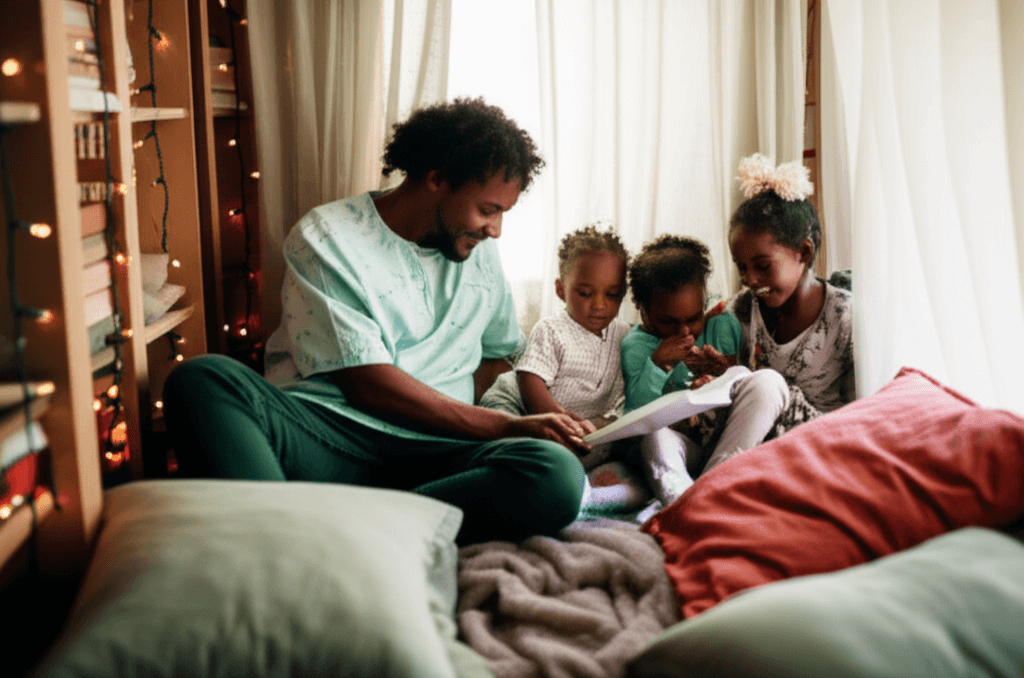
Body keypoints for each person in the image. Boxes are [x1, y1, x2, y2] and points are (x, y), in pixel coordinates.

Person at [161, 97, 588, 545]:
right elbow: (369, 385)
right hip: (332, 436)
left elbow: (497, 356)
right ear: (436, 178)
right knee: (202, 379)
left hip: (441, 450)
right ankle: (307, 541)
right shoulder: (328, 236)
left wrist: (518, 424)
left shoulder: (478, 251)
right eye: (487, 210)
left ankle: (326, 533)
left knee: (556, 475)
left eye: (502, 213)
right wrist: (506, 427)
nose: (495, 229)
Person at [621, 234, 789, 506]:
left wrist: (722, 373)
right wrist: (658, 364)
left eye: (693, 318)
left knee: (768, 381)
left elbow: (740, 393)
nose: (684, 332)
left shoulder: (720, 326)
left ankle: (708, 491)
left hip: (725, 441)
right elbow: (636, 416)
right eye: (667, 322)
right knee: (655, 437)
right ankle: (684, 502)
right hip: (682, 444)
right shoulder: (638, 345)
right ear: (644, 312)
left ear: (704, 304)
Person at [479, 223, 631, 470]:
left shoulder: (623, 334)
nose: (599, 305)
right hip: (518, 403)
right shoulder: (552, 330)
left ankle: (575, 481)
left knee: (595, 450)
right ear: (561, 290)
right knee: (512, 444)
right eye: (585, 293)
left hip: (576, 421)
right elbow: (530, 379)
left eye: (612, 294)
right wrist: (556, 417)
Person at [727, 153, 855, 437]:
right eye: (741, 267)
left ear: (804, 252)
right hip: (754, 440)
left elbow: (860, 411)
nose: (750, 279)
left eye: (761, 266)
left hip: (816, 442)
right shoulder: (741, 311)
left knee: (768, 385)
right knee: (661, 439)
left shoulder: (845, 318)